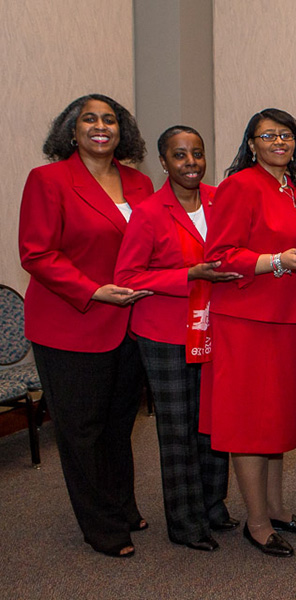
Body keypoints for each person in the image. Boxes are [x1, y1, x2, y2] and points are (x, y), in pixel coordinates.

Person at [19, 94, 153, 557]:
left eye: (110, 119)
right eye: (89, 119)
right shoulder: (48, 180)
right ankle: (102, 528)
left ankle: (122, 504)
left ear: (122, 130)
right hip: (69, 324)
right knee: (82, 430)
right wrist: (93, 290)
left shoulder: (140, 182)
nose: (101, 126)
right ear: (71, 131)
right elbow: (36, 254)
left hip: (128, 324)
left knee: (119, 424)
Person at [114, 126, 242, 552]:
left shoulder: (218, 198)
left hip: (212, 328)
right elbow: (128, 278)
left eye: (197, 154)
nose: (191, 163)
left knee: (211, 422)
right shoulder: (149, 212)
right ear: (164, 162)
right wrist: (189, 274)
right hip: (165, 333)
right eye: (180, 156)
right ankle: (186, 523)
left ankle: (213, 506)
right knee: (178, 428)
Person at [201, 108, 296, 558]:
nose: (278, 141)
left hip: (290, 320)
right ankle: (255, 522)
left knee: (277, 420)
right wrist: (275, 262)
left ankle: (276, 508)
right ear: (251, 143)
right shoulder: (240, 185)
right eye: (267, 135)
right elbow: (220, 256)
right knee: (250, 424)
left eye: (286, 134)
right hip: (247, 323)